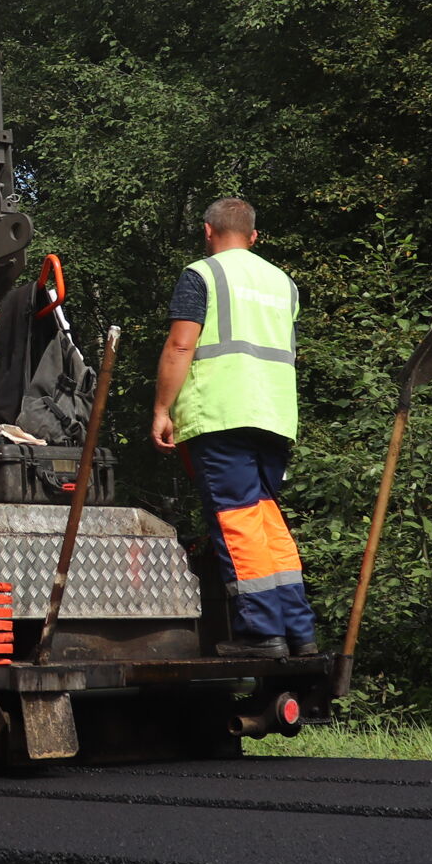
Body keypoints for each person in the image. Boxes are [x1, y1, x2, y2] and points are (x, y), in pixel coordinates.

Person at [151, 196, 318, 657]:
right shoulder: (283, 284)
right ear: (254, 236)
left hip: (222, 413)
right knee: (266, 520)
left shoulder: (202, 275)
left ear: (207, 231)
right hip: (275, 416)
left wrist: (162, 409)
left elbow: (181, 346)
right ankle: (299, 633)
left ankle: (262, 633)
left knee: (238, 519)